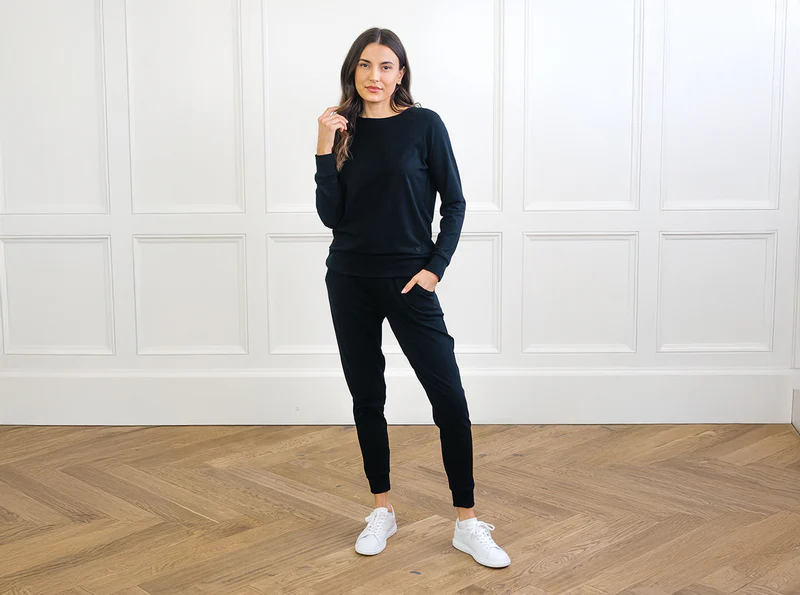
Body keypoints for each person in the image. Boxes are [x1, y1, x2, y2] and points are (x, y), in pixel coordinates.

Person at [314, 27, 510, 569]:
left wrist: (434, 270)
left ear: (401, 73)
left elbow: (456, 202)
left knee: (449, 399)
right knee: (367, 396)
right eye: (364, 65)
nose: (374, 76)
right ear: (352, 71)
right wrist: (323, 147)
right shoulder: (342, 129)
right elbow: (331, 216)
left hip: (409, 281)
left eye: (385, 66)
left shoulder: (425, 125)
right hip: (349, 280)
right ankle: (382, 509)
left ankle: (467, 522)